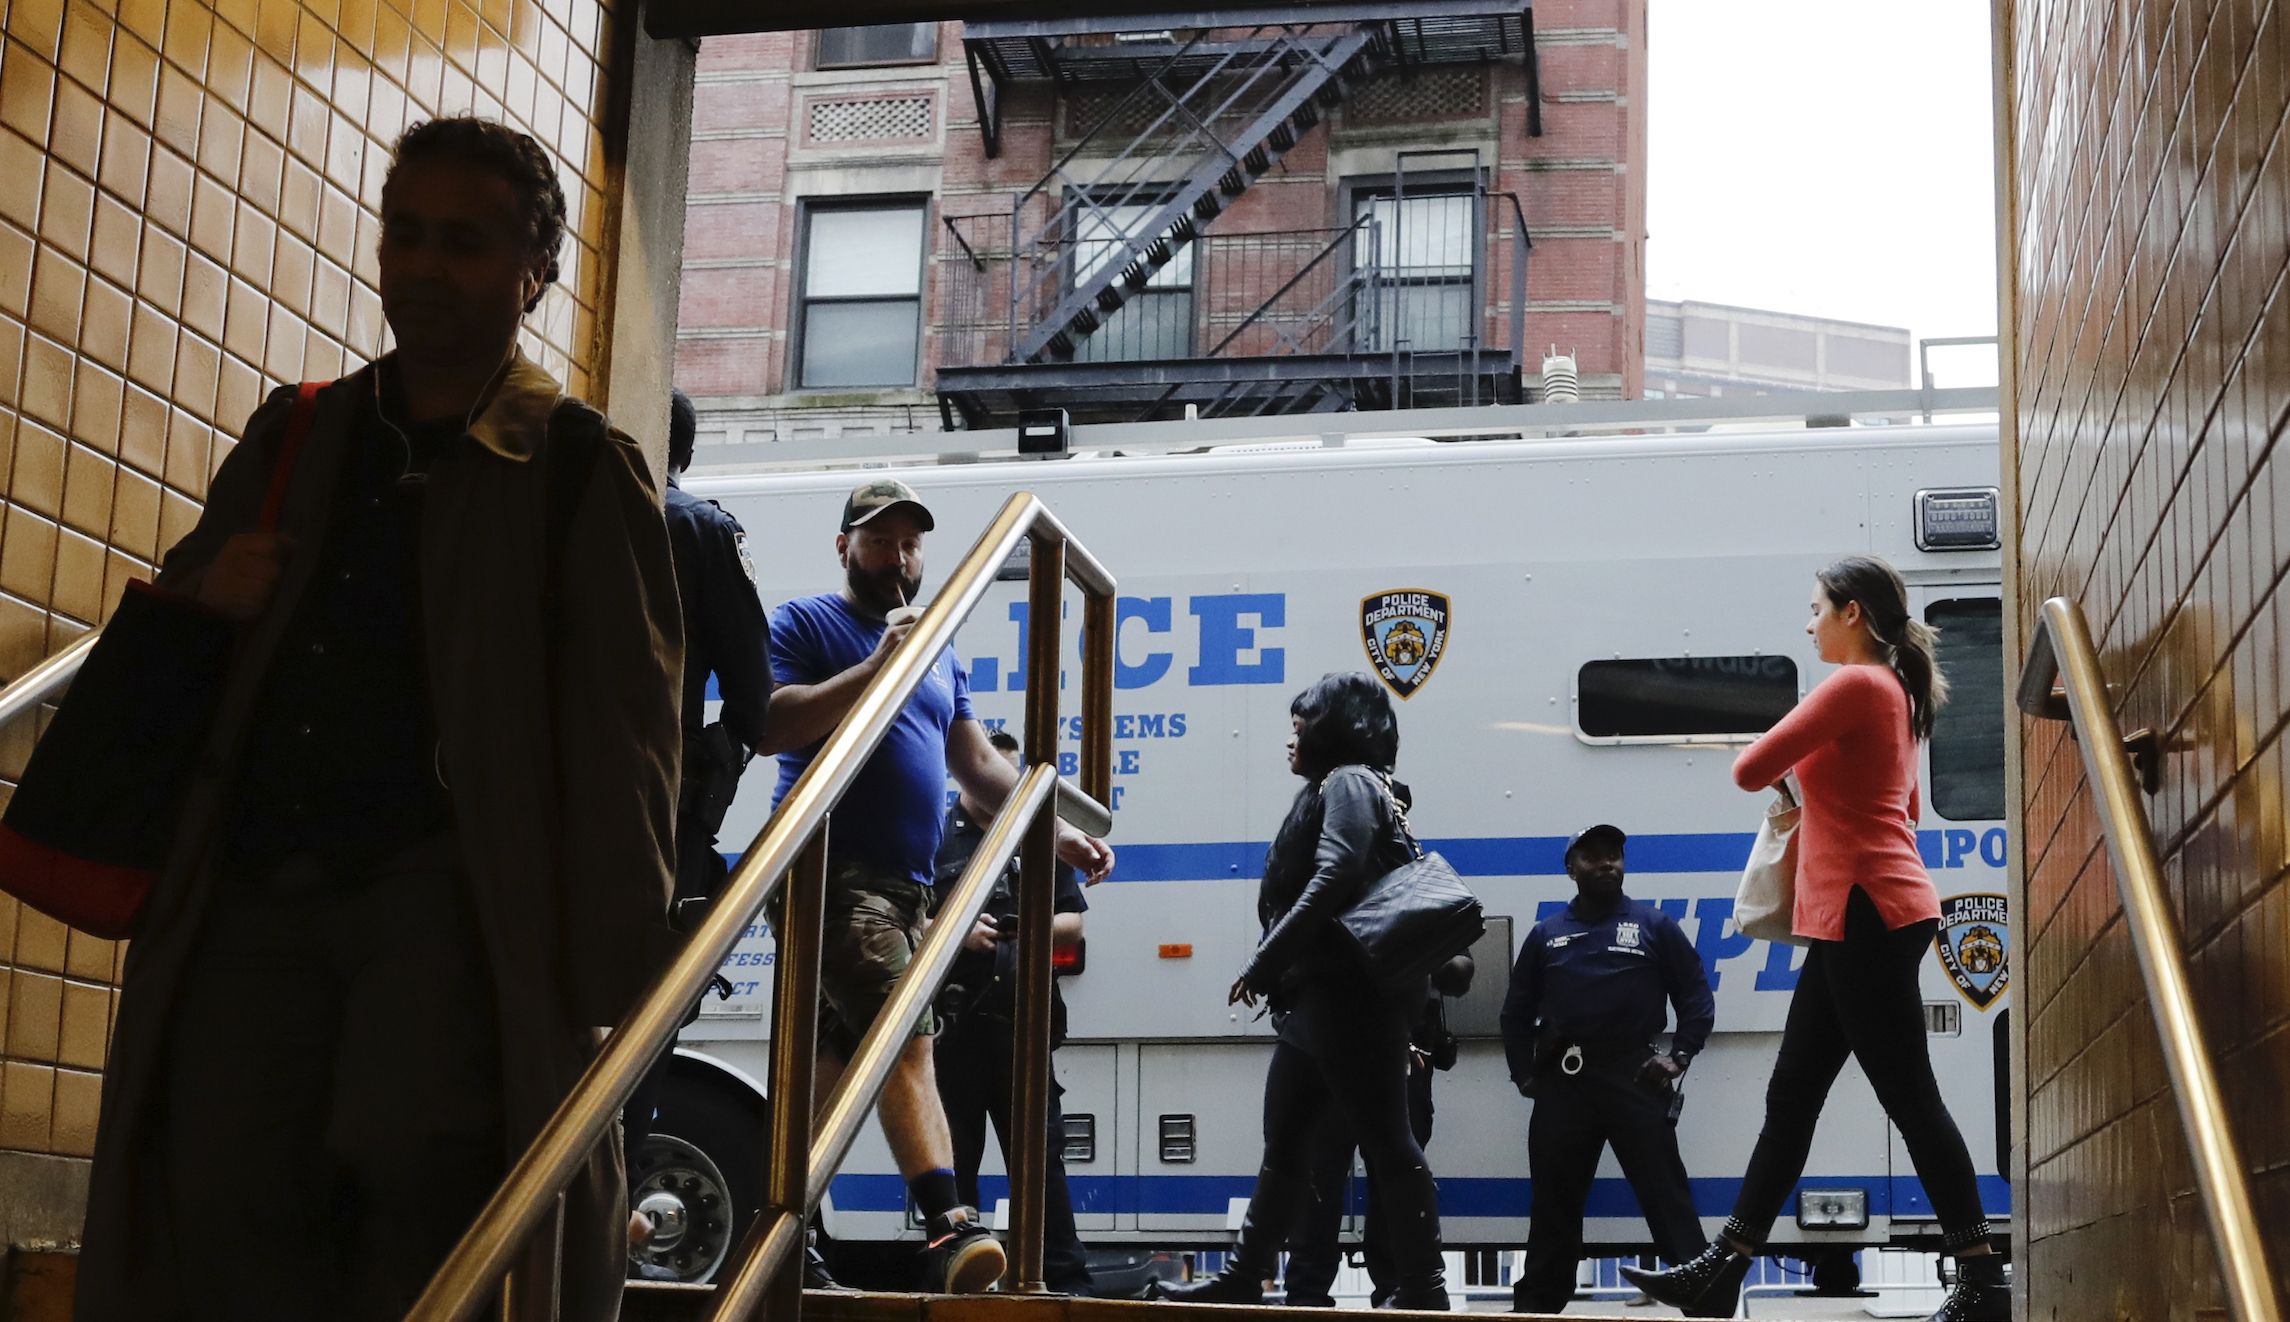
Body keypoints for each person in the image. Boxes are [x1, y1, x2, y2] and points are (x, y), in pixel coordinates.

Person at [77, 117, 680, 1321]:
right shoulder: (300, 433)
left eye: (461, 241)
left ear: (534, 271)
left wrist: (613, 968)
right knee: (224, 1173)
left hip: (442, 880)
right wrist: (206, 589)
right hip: (253, 875)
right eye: (404, 233)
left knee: (415, 1145)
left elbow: (628, 735)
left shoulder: (570, 463)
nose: (420, 266)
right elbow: (182, 618)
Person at [1623, 556, 2005, 1322]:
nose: (1808, 624)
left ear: (1852, 613)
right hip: (1854, 913)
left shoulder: (1857, 686)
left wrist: (1805, 762)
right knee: (1792, 1096)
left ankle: (1980, 1278)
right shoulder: (1894, 692)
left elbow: (1749, 768)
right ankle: (1723, 1270)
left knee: (1908, 1095)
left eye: (1817, 609)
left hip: (1868, 910)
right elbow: (1906, 809)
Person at [757, 479, 1115, 1294]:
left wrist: (1053, 830)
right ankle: (950, 1228)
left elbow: (980, 767)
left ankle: (778, 1235)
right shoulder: (807, 621)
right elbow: (774, 722)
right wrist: (881, 667)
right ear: (845, 546)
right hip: (830, 873)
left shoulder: (940, 649)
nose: (899, 556)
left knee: (828, 1065)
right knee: (905, 1035)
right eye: (880, 539)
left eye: (912, 543)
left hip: (904, 887)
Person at [1147, 672, 1448, 1310]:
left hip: (1350, 996)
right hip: (1324, 998)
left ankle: (1425, 1287)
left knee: (1387, 1140)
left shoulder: (1349, 781)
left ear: (1335, 729)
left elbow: (1336, 873)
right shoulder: (1343, 786)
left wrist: (1263, 962)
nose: (1292, 738)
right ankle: (1245, 1275)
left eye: (1300, 725)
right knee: (1287, 1140)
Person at [626, 386, 774, 1253]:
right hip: (658, 813)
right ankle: (618, 1182)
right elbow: (754, 702)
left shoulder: (566, 515)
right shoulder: (704, 530)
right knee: (646, 1012)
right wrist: (714, 760)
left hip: (544, 807)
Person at [1502, 825, 1715, 1316]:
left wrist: (1679, 1055)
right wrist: (1524, 1075)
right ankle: (1536, 1305)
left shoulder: (1654, 925)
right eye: (1594, 857)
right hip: (1565, 1080)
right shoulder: (1546, 935)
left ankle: (1707, 1302)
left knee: (1666, 1195)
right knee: (1554, 1203)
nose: (1607, 865)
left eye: (1614, 856)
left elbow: (1695, 996)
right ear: (1571, 867)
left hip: (1635, 1075)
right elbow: (1515, 1013)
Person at [931, 728, 1096, 1296]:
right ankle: (956, 1279)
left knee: (1041, 1165)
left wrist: (1028, 930)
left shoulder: (1034, 835)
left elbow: (1073, 920)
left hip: (1023, 1030)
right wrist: (951, 932)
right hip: (951, 1033)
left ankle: (1062, 1284)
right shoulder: (933, 838)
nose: (1000, 796)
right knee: (953, 1166)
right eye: (990, 781)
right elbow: (904, 922)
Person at [1282, 953, 1473, 1309]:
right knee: (1316, 1180)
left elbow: (1460, 973)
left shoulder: (1418, 899)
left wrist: (1425, 954)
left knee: (1396, 1182)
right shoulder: (1321, 900)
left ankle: (1398, 1292)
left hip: (1402, 1054)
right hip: (1324, 1048)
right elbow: (1284, 965)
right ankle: (1306, 1298)